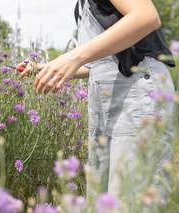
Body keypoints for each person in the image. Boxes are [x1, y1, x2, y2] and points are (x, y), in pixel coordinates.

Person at [17, 0, 177, 210]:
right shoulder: (81, 6)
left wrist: (71, 57)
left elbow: (146, 16)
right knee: (105, 203)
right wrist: (47, 68)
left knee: (131, 201)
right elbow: (103, 63)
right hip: (109, 100)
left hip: (137, 92)